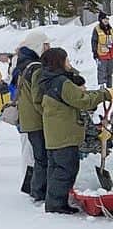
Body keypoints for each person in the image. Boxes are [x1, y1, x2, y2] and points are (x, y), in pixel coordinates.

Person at [36, 46, 112, 214]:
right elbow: (82, 100)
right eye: (66, 59)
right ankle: (56, 204)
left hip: (54, 133)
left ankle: (53, 201)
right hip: (65, 134)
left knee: (55, 168)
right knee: (66, 169)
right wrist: (104, 94)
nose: (69, 62)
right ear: (59, 62)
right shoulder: (61, 82)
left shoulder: (46, 80)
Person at [13, 33, 47, 200]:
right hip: (35, 118)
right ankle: (37, 190)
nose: (47, 48)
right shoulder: (35, 67)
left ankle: (31, 187)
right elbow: (38, 97)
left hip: (25, 116)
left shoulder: (22, 63)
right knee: (39, 156)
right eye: (45, 45)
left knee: (30, 153)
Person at [93, 12, 113, 89]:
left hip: (111, 55)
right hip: (101, 55)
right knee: (102, 72)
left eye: (107, 19)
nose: (106, 20)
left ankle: (110, 88)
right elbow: (94, 41)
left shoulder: (110, 29)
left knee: (110, 72)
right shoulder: (97, 29)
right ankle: (102, 88)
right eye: (104, 19)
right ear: (101, 20)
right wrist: (95, 52)